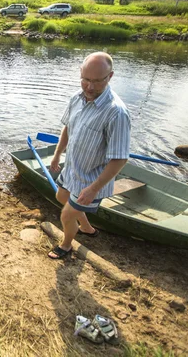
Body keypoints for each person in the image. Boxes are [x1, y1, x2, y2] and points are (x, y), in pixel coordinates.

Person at [48, 52, 131, 259]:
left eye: (97, 81)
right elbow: (68, 128)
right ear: (80, 74)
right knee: (61, 196)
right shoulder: (76, 98)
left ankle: (66, 246)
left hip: (92, 179)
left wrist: (94, 189)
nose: (90, 87)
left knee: (67, 215)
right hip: (73, 168)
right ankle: (87, 228)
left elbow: (120, 158)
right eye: (86, 80)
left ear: (110, 77)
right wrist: (58, 154)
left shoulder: (116, 113)